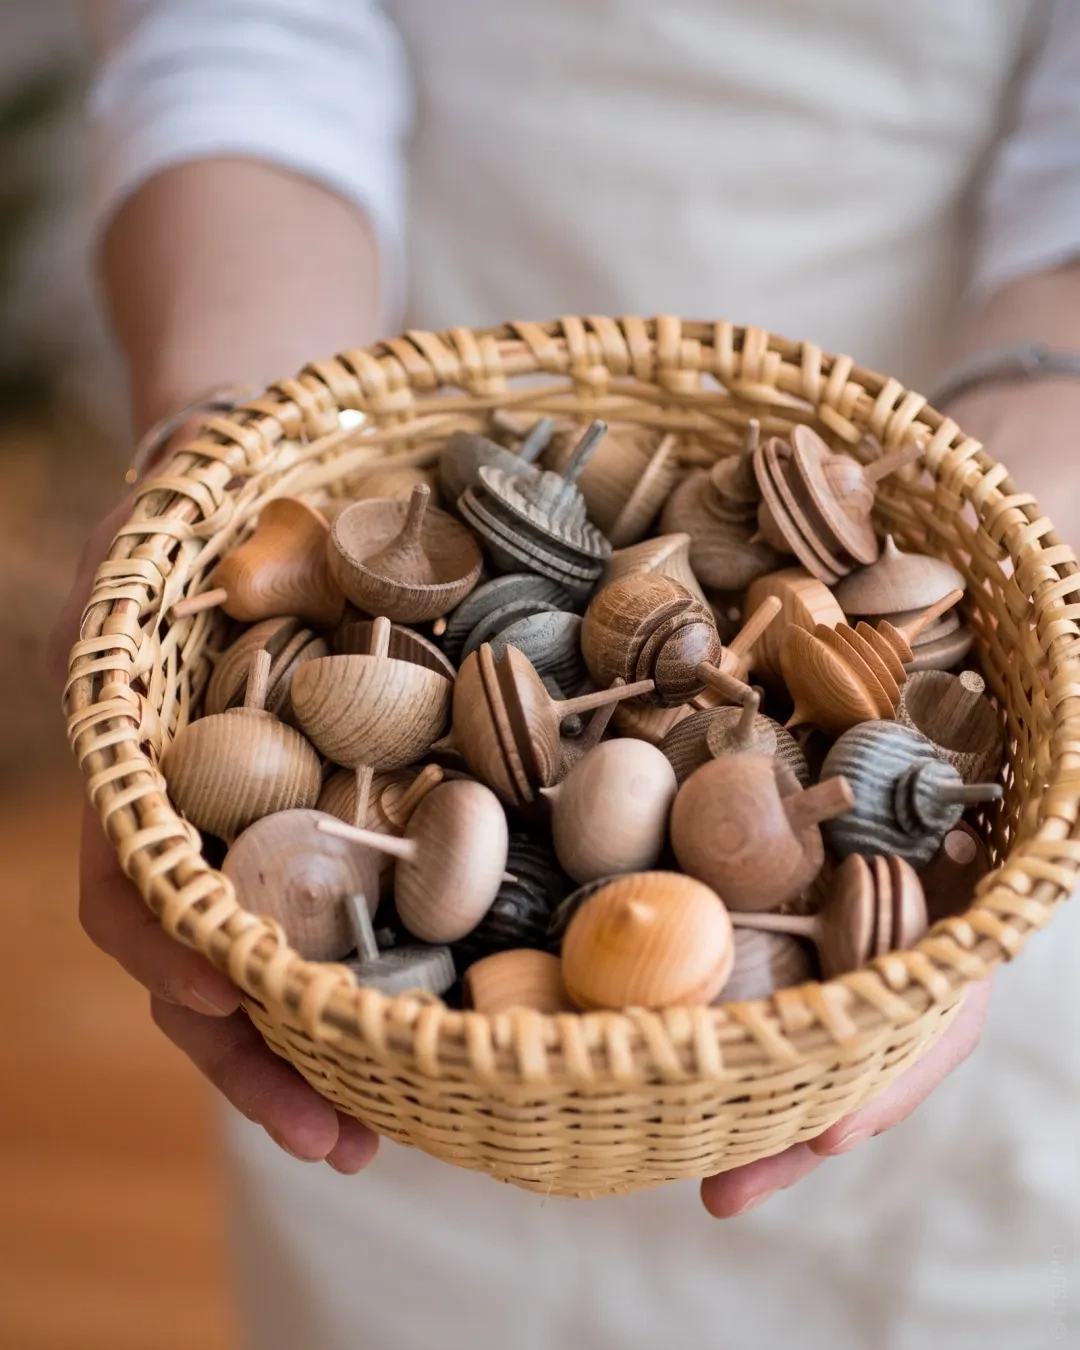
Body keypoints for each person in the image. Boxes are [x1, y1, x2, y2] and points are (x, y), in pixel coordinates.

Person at [59, 2, 1080, 1346]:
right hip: (409, 430)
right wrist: (225, 449)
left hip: (957, 461)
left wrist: (1008, 522)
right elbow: (245, 41)